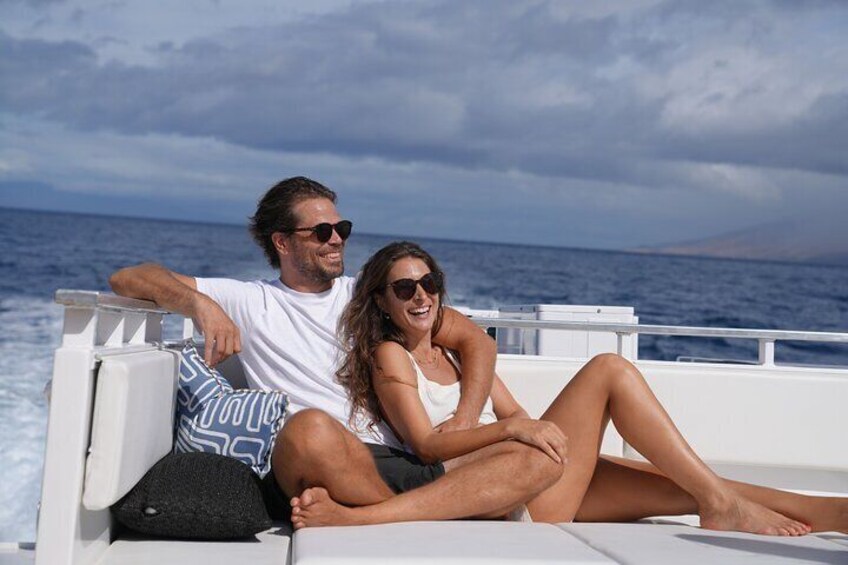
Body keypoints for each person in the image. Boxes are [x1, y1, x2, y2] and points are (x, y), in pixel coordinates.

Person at [289, 241, 848, 536]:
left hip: (533, 470)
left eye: (429, 283)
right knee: (608, 369)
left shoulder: (452, 352)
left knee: (688, 487)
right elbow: (427, 446)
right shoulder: (390, 355)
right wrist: (511, 432)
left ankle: (834, 515)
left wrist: (528, 433)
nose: (421, 296)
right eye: (405, 288)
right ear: (382, 301)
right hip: (507, 494)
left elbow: (513, 410)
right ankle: (723, 505)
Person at [109, 176, 563, 521]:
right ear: (282, 242)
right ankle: (435, 508)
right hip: (317, 457)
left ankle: (370, 518)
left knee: (539, 459)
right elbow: (129, 277)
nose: (337, 239)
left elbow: (475, 341)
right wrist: (200, 304)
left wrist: (465, 418)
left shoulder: (371, 294)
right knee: (310, 428)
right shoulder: (249, 300)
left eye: (341, 228)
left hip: (396, 460)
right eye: (322, 231)